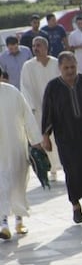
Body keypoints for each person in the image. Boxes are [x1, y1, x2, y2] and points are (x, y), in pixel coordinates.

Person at [40, 52, 82, 224]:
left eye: (72, 67)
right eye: (66, 68)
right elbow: (48, 112)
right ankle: (75, 206)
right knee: (71, 170)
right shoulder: (53, 87)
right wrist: (46, 136)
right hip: (64, 136)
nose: (70, 71)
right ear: (60, 68)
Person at [0, 78, 38, 240]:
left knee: (17, 185)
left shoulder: (13, 92)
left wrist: (35, 140)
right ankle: (3, 224)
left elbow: (27, 116)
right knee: (2, 186)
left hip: (15, 146)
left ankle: (18, 220)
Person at [19, 37, 60, 179]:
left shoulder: (56, 63)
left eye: (39, 45)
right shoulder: (28, 66)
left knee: (59, 138)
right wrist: (31, 107)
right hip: (38, 110)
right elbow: (25, 88)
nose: (36, 48)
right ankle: (52, 169)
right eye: (33, 46)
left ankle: (63, 166)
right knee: (45, 139)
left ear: (46, 47)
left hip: (57, 109)